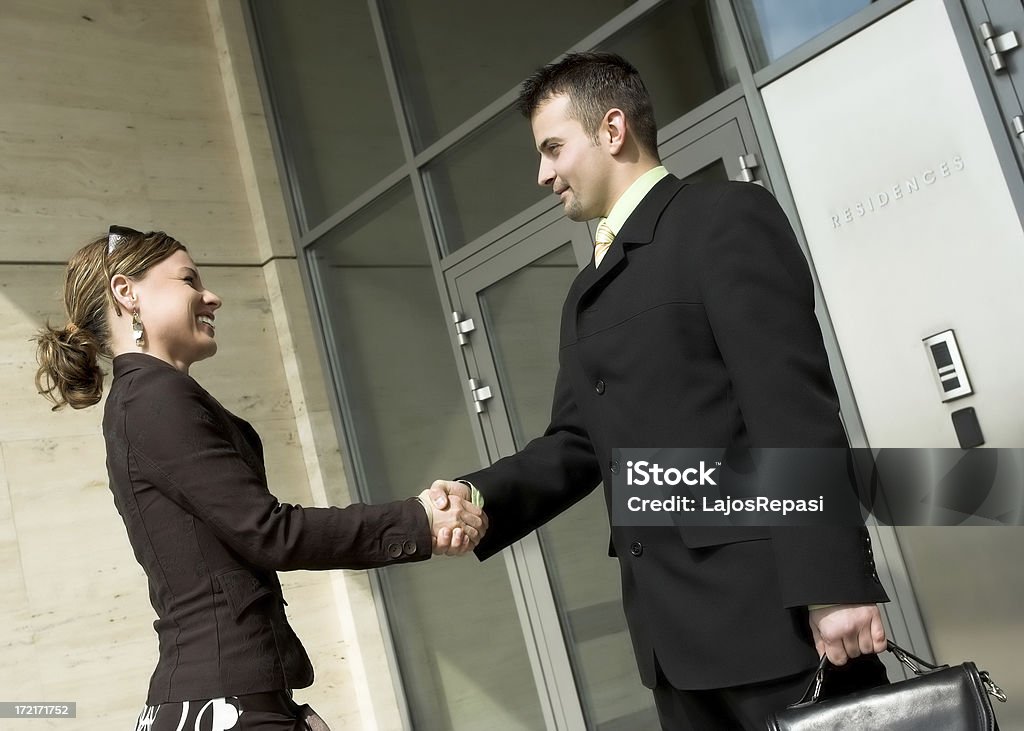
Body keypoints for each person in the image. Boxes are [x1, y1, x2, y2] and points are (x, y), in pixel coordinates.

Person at [428, 53, 889, 729]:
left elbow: (790, 405)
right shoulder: (585, 293)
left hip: (777, 627)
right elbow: (573, 446)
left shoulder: (724, 219)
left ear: (612, 130)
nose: (543, 174)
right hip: (672, 649)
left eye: (553, 148)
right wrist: (475, 495)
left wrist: (832, 584)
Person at [34, 226, 485, 731]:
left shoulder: (149, 398)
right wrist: (419, 520)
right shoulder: (153, 399)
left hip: (231, 698)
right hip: (226, 703)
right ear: (126, 292)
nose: (212, 297)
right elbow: (270, 533)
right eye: (188, 280)